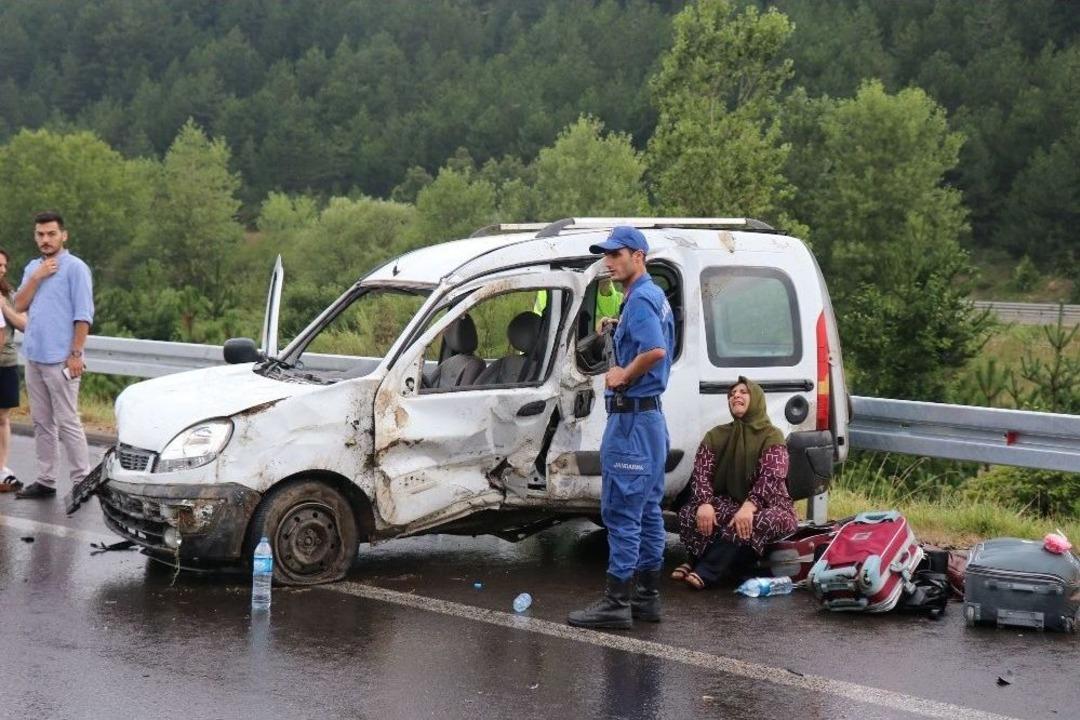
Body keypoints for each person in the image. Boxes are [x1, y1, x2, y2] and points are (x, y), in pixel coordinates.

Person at [568, 226, 675, 629]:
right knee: (647, 510)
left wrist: (622, 373)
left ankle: (616, 603)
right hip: (649, 421)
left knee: (621, 512)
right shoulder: (649, 297)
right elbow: (654, 341)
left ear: (638, 256)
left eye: (616, 255)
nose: (608, 262)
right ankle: (647, 598)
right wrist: (619, 328)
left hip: (631, 421)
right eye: (606, 255)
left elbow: (656, 351)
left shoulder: (643, 299)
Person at [672, 377, 798, 589]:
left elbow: (772, 476)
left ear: (756, 399)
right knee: (688, 513)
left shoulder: (772, 435)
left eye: (743, 392)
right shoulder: (716, 435)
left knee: (754, 521)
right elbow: (701, 473)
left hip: (772, 506)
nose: (736, 396)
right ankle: (698, 559)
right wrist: (704, 502)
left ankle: (705, 569)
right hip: (730, 502)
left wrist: (749, 506)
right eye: (732, 394)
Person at [13, 211, 94, 500]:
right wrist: (36, 277)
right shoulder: (32, 267)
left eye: (51, 234)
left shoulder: (76, 268)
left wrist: (76, 353)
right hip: (34, 355)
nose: (45, 239)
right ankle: (46, 480)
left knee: (68, 421)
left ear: (63, 235)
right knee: (42, 422)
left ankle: (82, 481)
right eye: (40, 234)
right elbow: (19, 304)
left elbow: (83, 315)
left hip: (61, 358)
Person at [0, 248, 27, 492]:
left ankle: (2, 468)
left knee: (2, 418)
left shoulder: (9, 294)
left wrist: (4, 307)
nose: (1, 269)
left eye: (4, 265)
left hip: (5, 362)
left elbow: (24, 324)